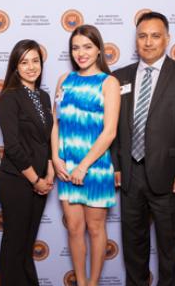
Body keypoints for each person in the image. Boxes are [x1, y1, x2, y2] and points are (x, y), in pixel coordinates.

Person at [111, 11, 175, 286]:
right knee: (133, 248)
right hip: (130, 174)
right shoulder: (120, 77)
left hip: (171, 175)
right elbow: (115, 127)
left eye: (155, 36)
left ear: (167, 39)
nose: (148, 42)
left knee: (169, 248)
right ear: (136, 40)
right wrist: (117, 166)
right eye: (142, 36)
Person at [52, 25, 120, 286]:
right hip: (67, 168)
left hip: (95, 167)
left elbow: (110, 132)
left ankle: (93, 283)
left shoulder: (108, 82)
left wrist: (83, 166)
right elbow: (55, 124)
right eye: (76, 47)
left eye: (87, 46)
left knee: (95, 228)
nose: (81, 53)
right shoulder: (64, 81)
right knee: (74, 228)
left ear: (99, 49)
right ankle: (80, 282)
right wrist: (56, 159)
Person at [0, 39, 54, 286]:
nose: (31, 67)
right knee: (15, 244)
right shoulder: (9, 97)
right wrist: (36, 180)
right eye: (24, 62)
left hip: (41, 180)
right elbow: (13, 147)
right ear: (15, 66)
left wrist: (49, 174)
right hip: (18, 181)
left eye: (35, 61)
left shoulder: (43, 96)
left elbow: (49, 139)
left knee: (27, 243)